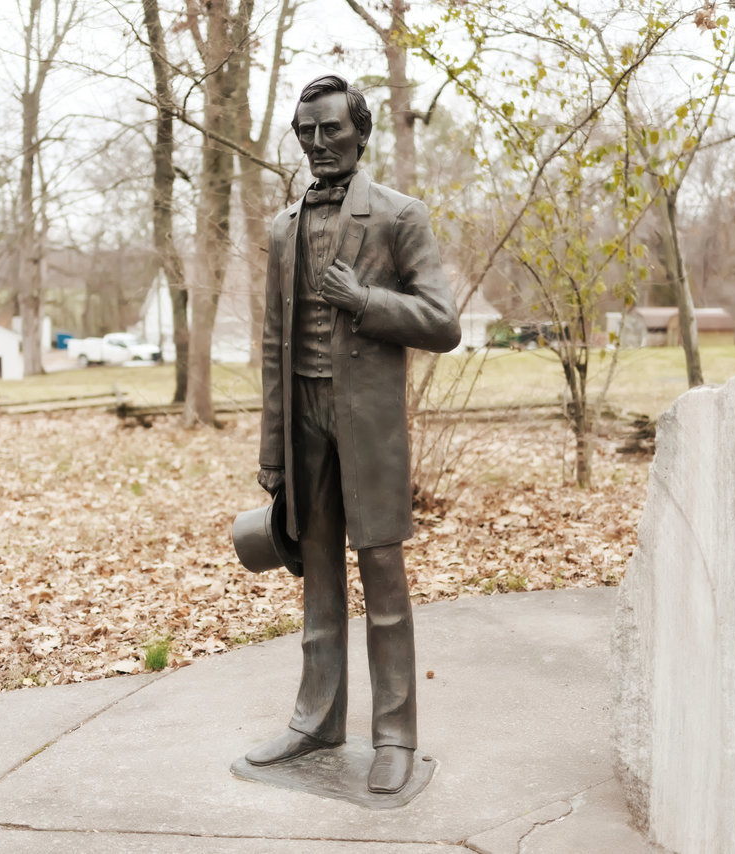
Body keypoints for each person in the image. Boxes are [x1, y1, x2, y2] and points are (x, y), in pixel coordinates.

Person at [246, 74, 462, 795]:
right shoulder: (283, 228)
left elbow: (443, 322)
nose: (317, 144)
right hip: (302, 420)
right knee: (317, 582)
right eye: (306, 132)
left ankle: (396, 734)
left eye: (331, 130)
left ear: (359, 134)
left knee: (384, 578)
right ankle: (318, 719)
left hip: (367, 424)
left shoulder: (400, 216)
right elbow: (276, 344)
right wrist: (273, 451)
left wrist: (363, 301)